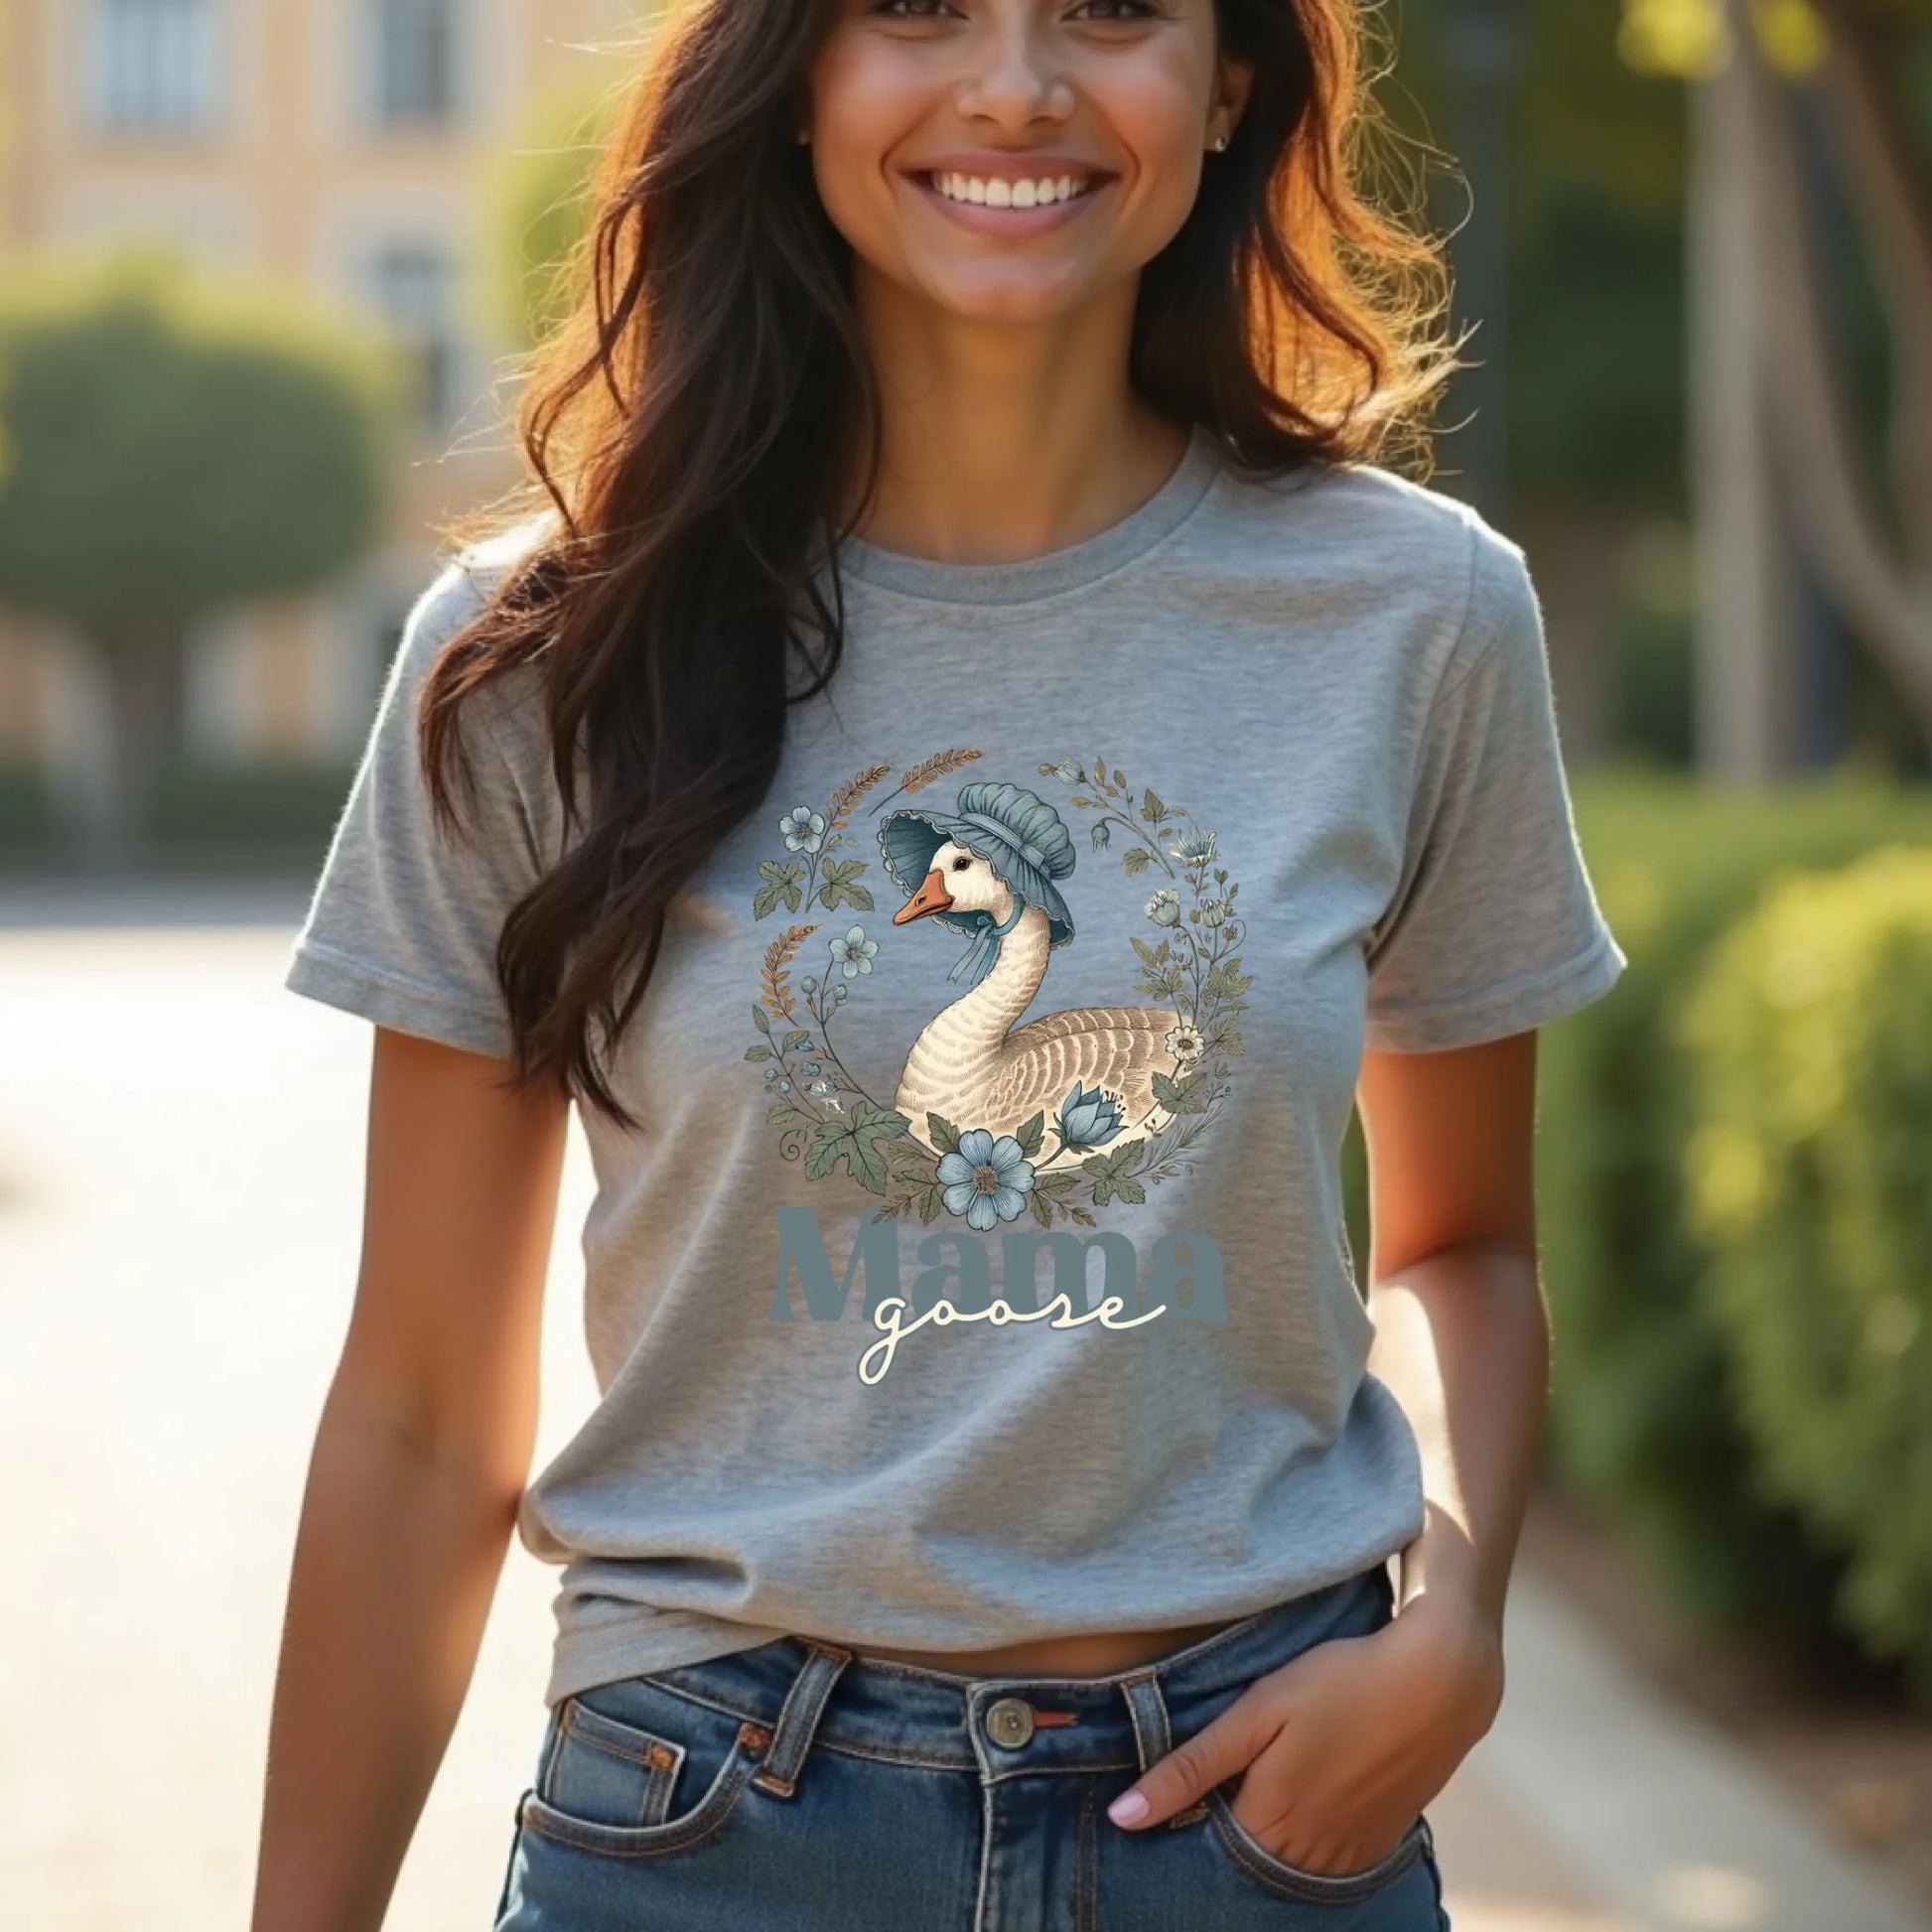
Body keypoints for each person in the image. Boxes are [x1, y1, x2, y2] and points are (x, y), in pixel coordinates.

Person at [255, 0, 1628, 1927]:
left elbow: (1460, 1246)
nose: (1012, 83)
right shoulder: (538, 654)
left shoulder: (1416, 617)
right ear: (796, 71)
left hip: (1254, 1806)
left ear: (1228, 80)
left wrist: (1457, 1621)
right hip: (712, 1818)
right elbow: (414, 1408)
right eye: (914, 7)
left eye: (1107, 12)